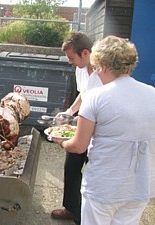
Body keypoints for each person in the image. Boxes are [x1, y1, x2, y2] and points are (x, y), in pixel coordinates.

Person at [53, 35, 155, 225]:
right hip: (140, 187)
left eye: (98, 67)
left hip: (104, 187)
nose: (97, 72)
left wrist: (61, 141)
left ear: (104, 65)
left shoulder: (95, 97)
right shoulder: (152, 93)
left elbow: (78, 146)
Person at [51, 31, 102, 225]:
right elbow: (83, 94)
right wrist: (69, 112)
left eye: (72, 57)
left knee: (93, 173)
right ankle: (71, 208)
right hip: (82, 124)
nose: (70, 62)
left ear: (86, 53)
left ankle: (88, 218)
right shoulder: (80, 69)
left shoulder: (104, 71)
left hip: (100, 130)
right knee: (71, 167)